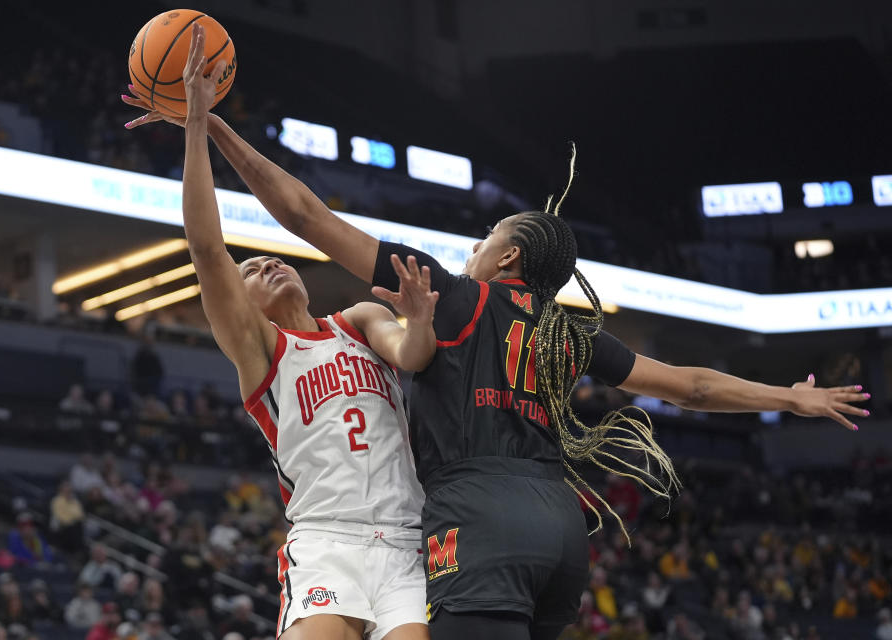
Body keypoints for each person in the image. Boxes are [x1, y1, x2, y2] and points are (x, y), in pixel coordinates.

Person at [123, 25, 869, 640]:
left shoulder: (447, 299)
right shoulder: (564, 331)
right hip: (551, 529)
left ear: (507, 257)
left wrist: (205, 121)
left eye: (487, 236)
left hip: (466, 525)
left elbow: (309, 221)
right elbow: (694, 387)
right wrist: (786, 398)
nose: (474, 244)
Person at [127, 25, 437, 640]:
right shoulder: (263, 352)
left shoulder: (359, 320)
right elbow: (206, 247)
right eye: (251, 270)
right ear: (239, 306)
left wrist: (421, 322)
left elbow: (413, 353)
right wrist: (194, 125)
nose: (266, 263)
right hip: (327, 541)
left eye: (272, 258)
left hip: (406, 541)